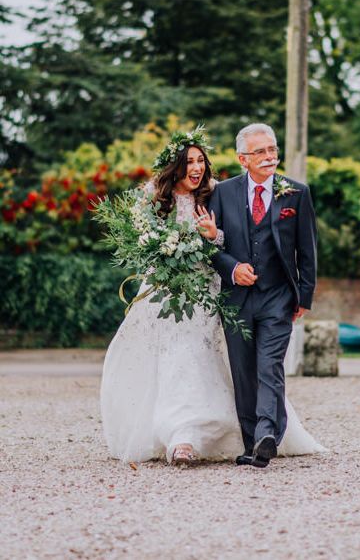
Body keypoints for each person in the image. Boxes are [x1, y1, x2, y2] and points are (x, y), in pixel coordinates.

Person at [100, 128, 324, 465]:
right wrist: (169, 255)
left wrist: (303, 295)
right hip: (186, 295)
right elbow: (152, 243)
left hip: (233, 293)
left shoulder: (242, 192)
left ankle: (256, 434)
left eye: (200, 160)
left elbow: (243, 241)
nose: (197, 167)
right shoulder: (174, 197)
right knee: (202, 364)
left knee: (254, 364)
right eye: (189, 161)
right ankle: (200, 435)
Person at [208, 123, 317, 468]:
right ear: (243, 158)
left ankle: (268, 435)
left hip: (278, 296)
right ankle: (250, 441)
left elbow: (308, 248)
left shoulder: (296, 194)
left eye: (272, 150)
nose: (270, 157)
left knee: (270, 366)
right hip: (236, 299)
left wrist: (304, 295)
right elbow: (209, 246)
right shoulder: (223, 193)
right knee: (243, 370)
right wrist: (231, 267)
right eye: (261, 152)